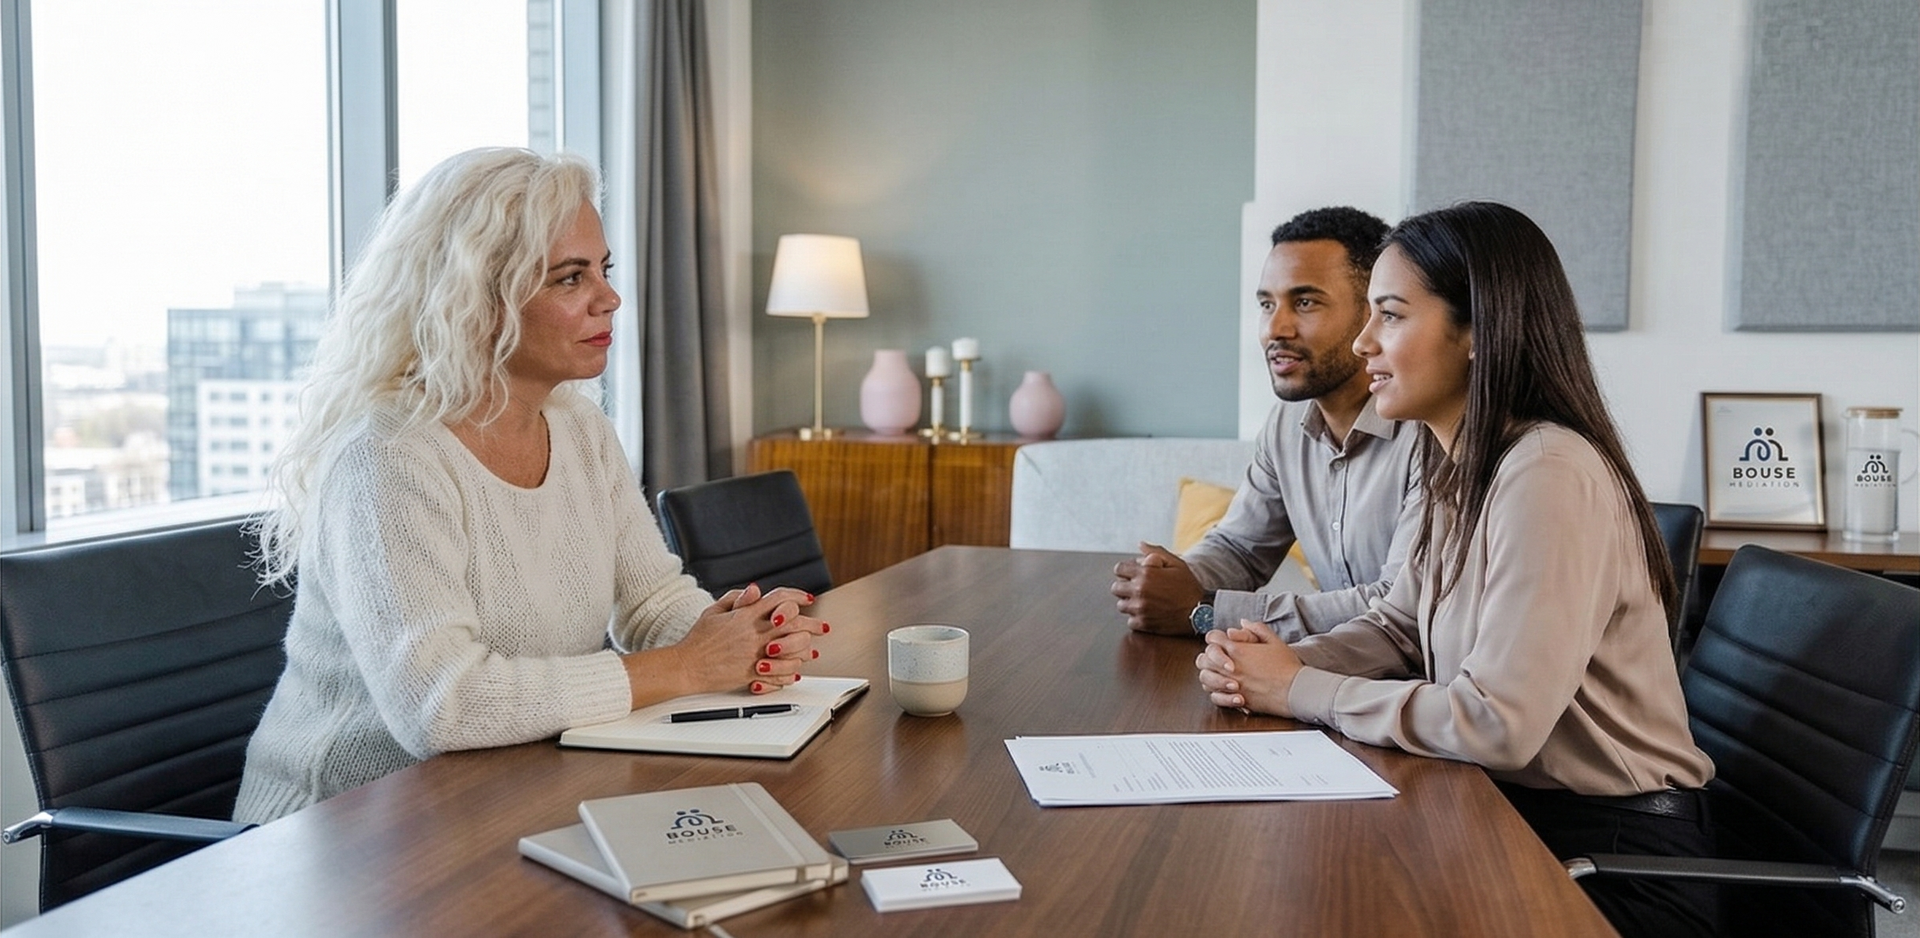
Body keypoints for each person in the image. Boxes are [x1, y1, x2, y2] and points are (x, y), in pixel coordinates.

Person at [234, 148, 825, 824]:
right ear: (475, 301)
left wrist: (739, 638)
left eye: (603, 270)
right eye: (571, 279)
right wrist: (686, 668)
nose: (610, 297)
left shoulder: (580, 428)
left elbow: (648, 600)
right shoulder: (388, 457)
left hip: (501, 796)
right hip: (336, 834)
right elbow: (443, 706)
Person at [1195, 201, 1715, 938]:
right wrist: (1273, 668)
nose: (1366, 341)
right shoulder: (1457, 460)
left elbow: (1496, 724)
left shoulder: (1547, 471)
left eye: (1392, 316)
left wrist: (1301, 687)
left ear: (1478, 333)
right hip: (1509, 813)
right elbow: (1403, 623)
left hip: (1611, 863)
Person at [1111, 207, 1421, 640]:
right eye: (1266, 304)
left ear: (1373, 312)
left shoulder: (1430, 429)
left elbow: (1396, 606)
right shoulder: (1287, 423)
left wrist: (1204, 609)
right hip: (1327, 670)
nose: (1275, 328)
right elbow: (1240, 548)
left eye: (1305, 302)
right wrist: (1172, 578)